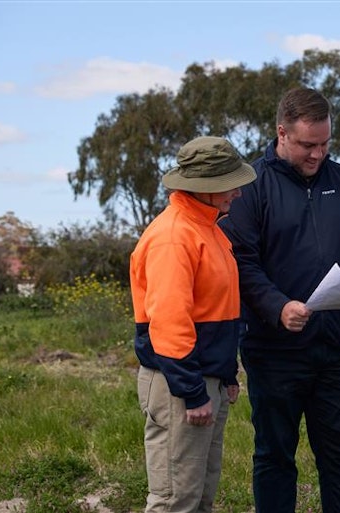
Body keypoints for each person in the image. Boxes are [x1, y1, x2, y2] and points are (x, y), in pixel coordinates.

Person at [220, 86, 340, 513]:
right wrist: (277, 306)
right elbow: (240, 262)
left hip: (334, 352)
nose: (318, 154)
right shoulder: (249, 187)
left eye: (325, 144)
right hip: (273, 351)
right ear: (282, 133)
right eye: (308, 145)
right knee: (274, 457)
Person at [130, 136, 257, 513]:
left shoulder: (210, 231)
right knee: (175, 501)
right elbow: (169, 321)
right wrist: (192, 391)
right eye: (229, 184)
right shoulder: (174, 237)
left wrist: (227, 374)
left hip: (205, 380)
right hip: (181, 385)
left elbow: (219, 310)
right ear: (204, 186)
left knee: (199, 497)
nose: (237, 192)